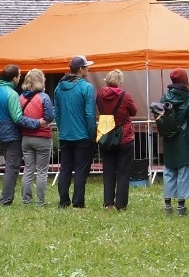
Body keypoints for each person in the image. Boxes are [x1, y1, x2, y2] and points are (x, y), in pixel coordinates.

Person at [0, 64, 42, 207]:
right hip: (11, 134)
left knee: (9, 164)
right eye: (19, 76)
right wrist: (37, 123)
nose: (20, 78)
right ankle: (6, 199)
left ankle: (6, 197)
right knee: (12, 167)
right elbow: (18, 118)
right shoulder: (11, 94)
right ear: (14, 78)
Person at [55, 56, 97, 209]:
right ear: (80, 69)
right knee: (81, 169)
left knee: (65, 168)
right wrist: (92, 133)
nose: (88, 69)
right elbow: (89, 114)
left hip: (65, 134)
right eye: (86, 67)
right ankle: (78, 202)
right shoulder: (86, 87)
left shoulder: (58, 87)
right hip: (82, 135)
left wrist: (62, 128)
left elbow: (57, 112)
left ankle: (63, 201)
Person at [158, 69, 189, 216]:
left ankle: (168, 205)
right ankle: (181, 206)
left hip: (169, 138)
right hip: (184, 138)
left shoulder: (164, 98)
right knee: (184, 171)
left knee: (169, 170)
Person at [97, 69, 138, 211]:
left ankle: (108, 203)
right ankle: (120, 204)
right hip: (124, 136)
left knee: (108, 170)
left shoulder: (100, 95)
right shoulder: (125, 96)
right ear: (120, 81)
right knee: (123, 171)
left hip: (106, 134)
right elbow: (133, 111)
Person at [18, 69, 56, 206]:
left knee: (28, 170)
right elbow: (50, 117)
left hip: (26, 137)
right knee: (41, 171)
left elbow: (18, 117)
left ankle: (26, 200)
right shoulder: (44, 97)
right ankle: (40, 201)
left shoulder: (21, 98)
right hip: (42, 137)